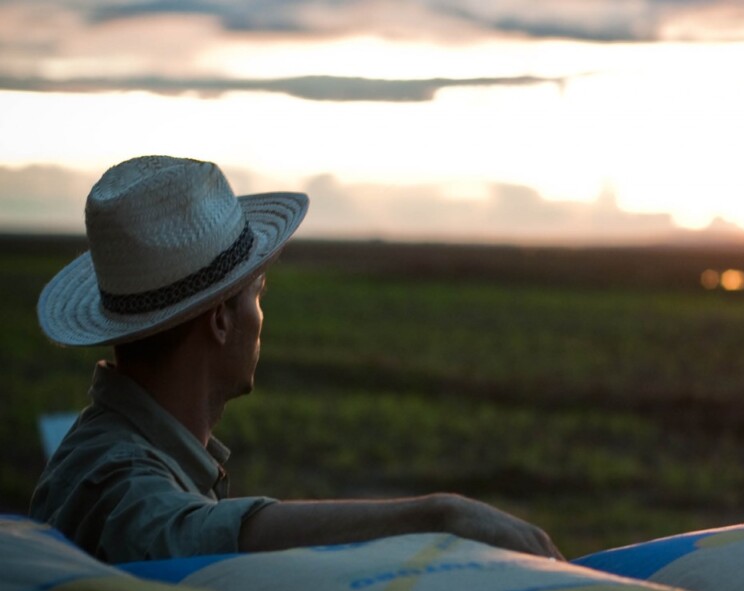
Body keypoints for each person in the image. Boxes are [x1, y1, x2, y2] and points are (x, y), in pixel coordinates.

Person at [30, 155, 563, 564]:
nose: (262, 317)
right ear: (220, 320)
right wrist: (435, 517)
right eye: (257, 293)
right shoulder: (112, 475)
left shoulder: (127, 449)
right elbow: (179, 537)